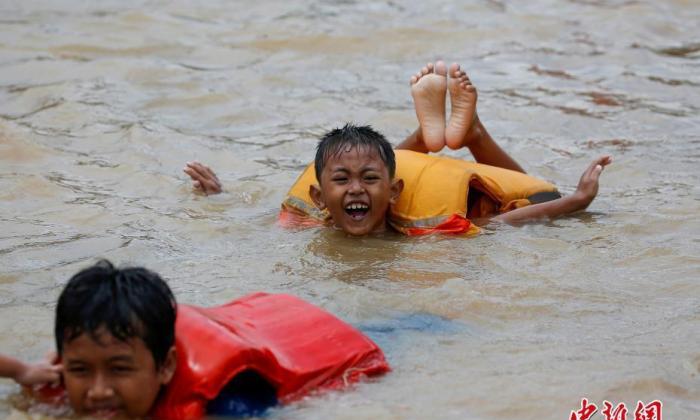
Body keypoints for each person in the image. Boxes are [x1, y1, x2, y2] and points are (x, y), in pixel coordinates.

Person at [185, 61, 611, 236]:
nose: (355, 190)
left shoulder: (416, 231)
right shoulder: (308, 219)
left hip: (460, 196)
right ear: (319, 196)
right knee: (367, 158)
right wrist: (219, 197)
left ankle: (466, 136)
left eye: (370, 182)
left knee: (527, 198)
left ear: (393, 193)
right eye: (340, 182)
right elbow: (250, 221)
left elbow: (507, 225)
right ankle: (443, 136)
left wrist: (574, 201)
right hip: (390, 169)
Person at [14, 260, 388, 420]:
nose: (97, 391)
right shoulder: (61, 385)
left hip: (327, 342)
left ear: (166, 367)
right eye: (80, 369)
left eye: (118, 370)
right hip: (251, 322)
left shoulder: (229, 406)